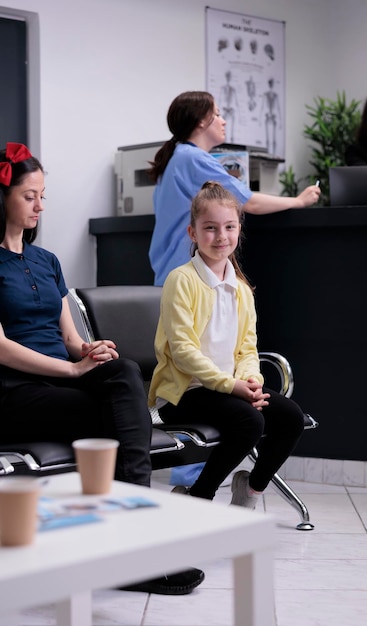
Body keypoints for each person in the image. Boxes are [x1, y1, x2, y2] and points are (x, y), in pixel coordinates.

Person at [0, 142, 203, 596]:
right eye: (29, 195)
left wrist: (90, 352)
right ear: (3, 197)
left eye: (43, 195)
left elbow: (71, 341)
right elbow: (2, 348)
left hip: (58, 384)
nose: (39, 205)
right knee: (119, 421)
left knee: (122, 369)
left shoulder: (46, 261)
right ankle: (135, 549)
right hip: (14, 393)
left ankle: (128, 548)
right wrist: (71, 372)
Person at [148, 181, 306, 508]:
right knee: (250, 421)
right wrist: (231, 385)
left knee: (290, 416)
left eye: (229, 227)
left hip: (228, 388)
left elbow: (247, 349)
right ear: (192, 233)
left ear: (238, 230)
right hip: (184, 393)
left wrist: (252, 380)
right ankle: (198, 498)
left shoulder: (242, 290)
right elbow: (183, 351)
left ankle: (250, 489)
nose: (221, 236)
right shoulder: (182, 280)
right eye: (210, 228)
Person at [148, 90, 321, 287]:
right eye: (218, 114)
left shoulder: (177, 157)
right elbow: (250, 203)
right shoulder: (194, 159)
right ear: (202, 121)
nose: (224, 121)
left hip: (171, 272)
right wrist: (299, 201)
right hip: (188, 275)